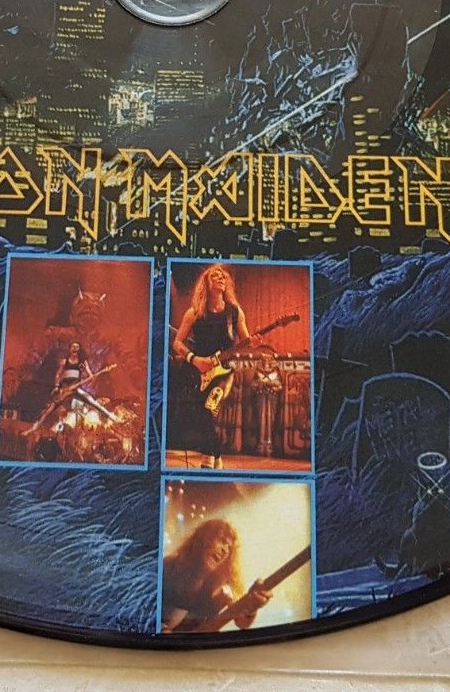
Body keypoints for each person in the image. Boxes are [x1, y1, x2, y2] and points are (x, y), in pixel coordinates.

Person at [171, 264, 251, 469]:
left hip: (224, 371)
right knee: (201, 413)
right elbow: (177, 343)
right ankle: (217, 458)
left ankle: (207, 459)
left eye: (223, 276)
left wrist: (254, 341)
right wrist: (194, 359)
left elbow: (246, 340)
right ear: (206, 283)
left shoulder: (234, 312)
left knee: (209, 407)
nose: (220, 278)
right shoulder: (194, 313)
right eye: (215, 276)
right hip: (200, 372)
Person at [160, 519, 273, 633]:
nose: (225, 550)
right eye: (222, 541)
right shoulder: (169, 565)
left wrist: (253, 606)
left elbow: (242, 622)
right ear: (203, 538)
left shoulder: (223, 585)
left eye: (229, 548)